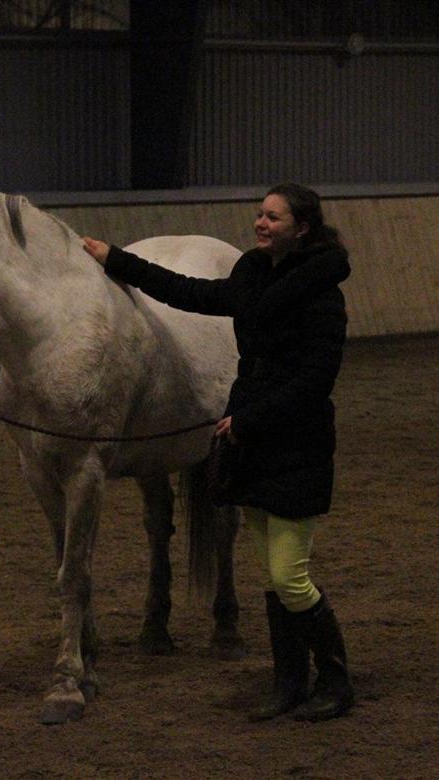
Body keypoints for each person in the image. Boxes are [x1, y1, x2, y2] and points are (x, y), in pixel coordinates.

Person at [81, 183, 354, 722]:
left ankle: (337, 679)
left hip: (293, 439)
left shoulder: (323, 294)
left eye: (273, 217)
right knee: (275, 581)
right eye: (259, 214)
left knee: (291, 577)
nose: (261, 223)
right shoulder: (252, 275)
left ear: (301, 227)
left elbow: (316, 378)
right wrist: (116, 260)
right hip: (250, 440)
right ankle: (290, 682)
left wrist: (248, 418)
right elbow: (188, 293)